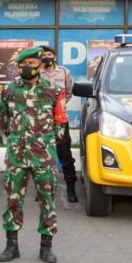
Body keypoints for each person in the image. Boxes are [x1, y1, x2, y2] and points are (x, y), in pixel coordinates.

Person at [0, 46, 67, 263]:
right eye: (23, 64)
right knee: (13, 200)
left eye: (32, 64)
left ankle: (46, 247)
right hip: (17, 156)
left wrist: (47, 145)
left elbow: (61, 123)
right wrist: (16, 141)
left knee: (47, 201)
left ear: (40, 65)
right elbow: (5, 121)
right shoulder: (9, 91)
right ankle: (11, 246)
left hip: (43, 157)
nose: (27, 68)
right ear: (18, 66)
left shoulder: (53, 91)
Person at [39, 45, 78, 203]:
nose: (47, 57)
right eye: (44, 55)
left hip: (60, 120)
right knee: (42, 155)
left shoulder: (63, 72)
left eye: (49, 54)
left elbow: (68, 92)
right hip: (41, 120)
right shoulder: (38, 73)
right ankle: (43, 190)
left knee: (65, 154)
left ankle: (71, 190)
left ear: (54, 57)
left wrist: (58, 107)